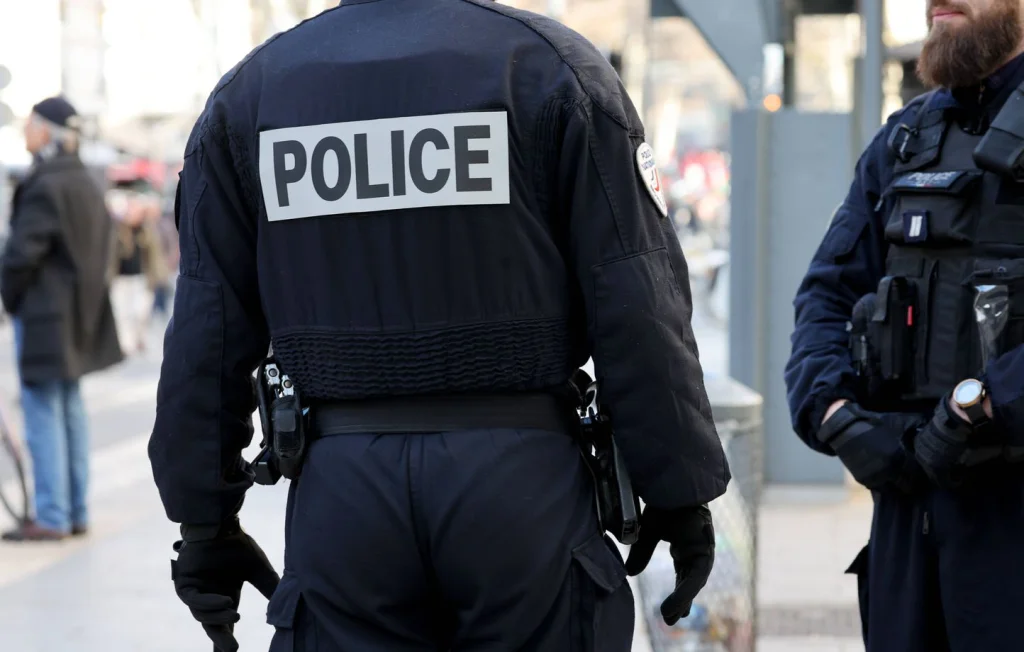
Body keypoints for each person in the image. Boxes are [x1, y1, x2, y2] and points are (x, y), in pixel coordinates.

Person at [149, 2, 730, 651]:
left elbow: (208, 330)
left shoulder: (251, 95)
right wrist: (678, 490)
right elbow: (637, 298)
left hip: (343, 496)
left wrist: (205, 522)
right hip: (522, 488)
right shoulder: (547, 67)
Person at [785, 1, 1024, 650]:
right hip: (906, 516)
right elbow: (826, 294)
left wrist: (976, 409)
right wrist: (834, 414)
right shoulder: (906, 137)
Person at [0, 97, 123, 542]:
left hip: (45, 316)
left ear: (47, 131)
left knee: (42, 411)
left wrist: (10, 299)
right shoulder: (87, 181)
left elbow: (20, 256)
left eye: (31, 124)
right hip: (80, 312)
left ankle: (51, 515)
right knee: (70, 409)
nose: (25, 131)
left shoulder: (44, 184)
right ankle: (75, 510)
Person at [107, 176, 167, 354]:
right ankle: (126, 344)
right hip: (121, 277)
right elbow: (114, 253)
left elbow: (155, 254)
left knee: (141, 311)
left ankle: (138, 338)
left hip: (141, 277)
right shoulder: (119, 230)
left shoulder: (146, 230)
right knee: (122, 312)